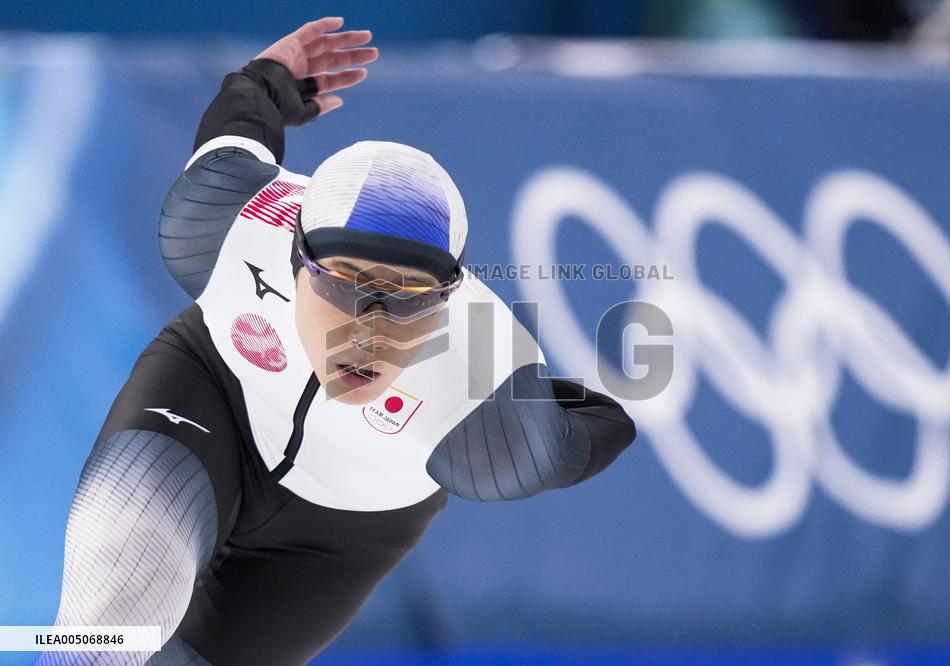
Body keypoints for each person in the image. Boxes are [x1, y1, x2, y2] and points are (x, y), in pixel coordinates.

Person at [38, 16, 636, 666]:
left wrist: (566, 409)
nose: (370, 328)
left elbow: (587, 434)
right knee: (105, 635)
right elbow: (239, 127)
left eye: (408, 298)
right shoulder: (222, 223)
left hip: (340, 532)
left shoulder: (483, 409)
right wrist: (268, 80)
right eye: (347, 283)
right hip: (208, 394)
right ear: (293, 258)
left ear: (446, 300)